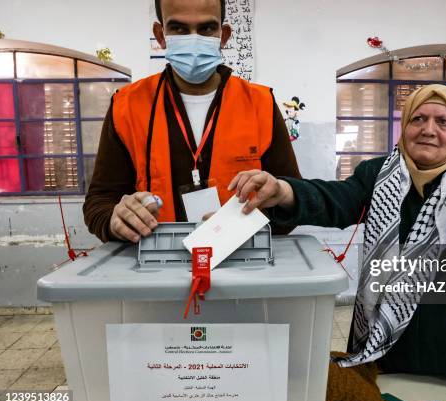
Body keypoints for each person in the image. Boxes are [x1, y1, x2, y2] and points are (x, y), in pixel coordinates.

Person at [228, 84, 446, 401]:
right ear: (403, 126)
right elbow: (334, 200)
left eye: (443, 122)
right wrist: (282, 190)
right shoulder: (377, 174)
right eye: (418, 119)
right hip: (392, 348)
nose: (428, 130)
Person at [83, 0, 301, 243]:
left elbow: (292, 202)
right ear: (160, 35)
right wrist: (115, 219)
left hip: (241, 266)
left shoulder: (260, 104)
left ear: (224, 35)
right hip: (156, 268)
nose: (193, 40)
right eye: (179, 29)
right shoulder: (127, 106)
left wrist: (238, 226)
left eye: (207, 28)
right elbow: (98, 205)